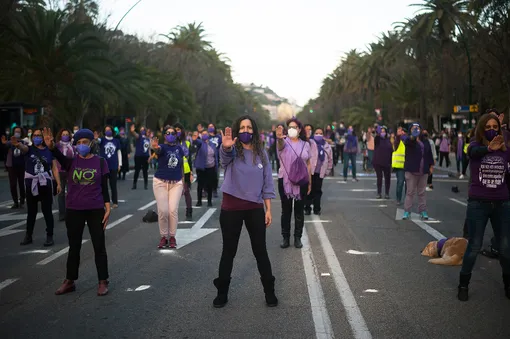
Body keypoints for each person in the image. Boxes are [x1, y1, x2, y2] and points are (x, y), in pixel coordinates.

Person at [213, 116, 277, 308]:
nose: (246, 131)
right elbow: (224, 159)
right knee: (228, 252)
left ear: (254, 131)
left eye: (249, 128)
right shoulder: (231, 150)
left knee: (260, 252)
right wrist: (225, 147)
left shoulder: (261, 154)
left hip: (254, 208)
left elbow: (267, 183)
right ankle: (222, 293)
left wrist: (268, 209)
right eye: (242, 127)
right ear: (237, 130)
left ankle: (270, 292)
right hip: (231, 208)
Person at [46, 128, 111, 296]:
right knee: (74, 246)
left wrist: (108, 207)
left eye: (85, 142)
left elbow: (104, 187)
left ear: (91, 143)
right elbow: (58, 156)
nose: (81, 145)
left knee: (99, 246)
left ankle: (103, 281)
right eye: (79, 143)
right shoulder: (71, 162)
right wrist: (52, 147)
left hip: (95, 209)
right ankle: (69, 281)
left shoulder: (100, 162)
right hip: (74, 209)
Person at [457, 114, 510, 301]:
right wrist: (488, 148)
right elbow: (474, 152)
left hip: (502, 203)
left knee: (505, 248)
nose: (491, 129)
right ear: (481, 128)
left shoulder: (505, 150)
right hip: (478, 203)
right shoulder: (474, 146)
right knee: (474, 246)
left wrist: (503, 140)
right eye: (487, 126)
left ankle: (508, 285)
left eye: (495, 126)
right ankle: (463, 285)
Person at [16, 128, 61, 246]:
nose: (37, 137)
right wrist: (18, 144)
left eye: (39, 135)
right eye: (35, 135)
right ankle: (28, 236)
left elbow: (54, 168)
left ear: (43, 137)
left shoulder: (49, 150)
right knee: (31, 212)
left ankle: (49, 236)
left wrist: (59, 183)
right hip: (31, 185)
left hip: (45, 184)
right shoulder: (29, 149)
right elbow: (23, 148)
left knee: (47, 212)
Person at [151, 126, 188, 249]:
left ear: (176, 135)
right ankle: (163, 237)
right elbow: (157, 150)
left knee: (173, 210)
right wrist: (154, 148)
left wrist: (183, 182)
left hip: (176, 183)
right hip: (160, 182)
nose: (171, 134)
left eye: (173, 133)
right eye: (168, 133)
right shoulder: (162, 147)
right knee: (163, 211)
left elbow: (181, 165)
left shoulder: (179, 149)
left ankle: (172, 237)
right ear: (164, 135)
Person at [277, 118, 311, 249]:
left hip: (301, 181)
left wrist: (310, 183)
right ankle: (285, 238)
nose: (292, 129)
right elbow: (279, 146)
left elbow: (308, 164)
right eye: (289, 127)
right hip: (285, 181)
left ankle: (298, 238)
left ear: (299, 129)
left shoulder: (306, 144)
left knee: (299, 211)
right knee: (285, 211)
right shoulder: (283, 142)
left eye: (294, 127)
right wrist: (279, 138)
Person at [402, 123, 434, 220]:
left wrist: (431, 166)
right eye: (413, 128)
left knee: (422, 192)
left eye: (418, 128)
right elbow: (407, 142)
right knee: (410, 192)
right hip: (411, 171)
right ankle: (407, 211)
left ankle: (423, 211)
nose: (416, 130)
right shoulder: (409, 140)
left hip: (423, 171)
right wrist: (413, 136)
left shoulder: (425, 141)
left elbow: (429, 154)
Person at [305, 127, 333, 215]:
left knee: (318, 191)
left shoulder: (327, 146)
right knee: (309, 190)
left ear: (323, 135)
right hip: (310, 172)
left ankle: (317, 209)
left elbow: (330, 160)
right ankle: (307, 208)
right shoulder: (310, 143)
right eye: (316, 133)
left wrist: (327, 171)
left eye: (320, 133)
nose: (318, 135)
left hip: (320, 172)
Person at [1, 126, 26, 209]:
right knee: (13, 185)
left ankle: (22, 198)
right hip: (12, 166)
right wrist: (4, 143)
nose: (17, 133)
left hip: (22, 166)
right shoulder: (10, 142)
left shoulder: (23, 142)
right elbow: (5, 146)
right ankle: (15, 202)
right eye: (16, 131)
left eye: (18, 132)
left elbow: (26, 150)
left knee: (21, 184)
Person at [193, 130, 219, 207]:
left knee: (209, 185)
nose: (204, 135)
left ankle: (209, 201)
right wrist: (195, 138)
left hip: (211, 167)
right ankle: (199, 201)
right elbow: (196, 142)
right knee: (200, 185)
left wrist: (216, 167)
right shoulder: (200, 143)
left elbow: (216, 156)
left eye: (206, 134)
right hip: (201, 168)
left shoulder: (212, 145)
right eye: (203, 134)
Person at [174, 123, 194, 221]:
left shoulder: (187, 143)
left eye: (179, 129)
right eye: (175, 130)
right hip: (173, 170)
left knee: (186, 191)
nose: (177, 131)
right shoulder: (172, 143)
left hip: (185, 170)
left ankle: (189, 211)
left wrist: (191, 172)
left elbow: (189, 159)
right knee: (174, 193)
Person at [99, 126, 121, 208]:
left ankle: (115, 202)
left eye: (109, 130)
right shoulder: (102, 140)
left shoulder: (116, 141)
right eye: (106, 130)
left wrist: (120, 164)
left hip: (113, 165)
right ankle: (105, 202)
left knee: (113, 185)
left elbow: (119, 152)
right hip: (103, 166)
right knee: (103, 185)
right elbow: (96, 141)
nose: (108, 131)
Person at [56, 128, 75, 221]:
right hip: (59, 171)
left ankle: (70, 212)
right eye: (63, 134)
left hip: (69, 171)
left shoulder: (72, 146)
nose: (65, 136)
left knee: (70, 193)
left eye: (67, 134)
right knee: (61, 193)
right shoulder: (57, 145)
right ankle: (62, 214)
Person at [373, 125, 392, 199]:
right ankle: (379, 193)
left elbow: (391, 150)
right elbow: (376, 137)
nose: (383, 133)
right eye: (381, 132)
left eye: (384, 131)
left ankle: (387, 193)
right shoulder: (377, 139)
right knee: (379, 178)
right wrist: (378, 131)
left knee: (387, 178)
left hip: (387, 162)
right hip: (378, 162)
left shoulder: (388, 140)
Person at [130, 124, 150, 190]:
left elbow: (149, 148)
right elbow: (135, 134)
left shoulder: (148, 139)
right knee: (137, 171)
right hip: (138, 156)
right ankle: (134, 184)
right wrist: (133, 131)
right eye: (141, 130)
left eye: (143, 130)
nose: (142, 131)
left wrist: (150, 157)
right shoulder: (139, 137)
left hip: (145, 156)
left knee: (145, 171)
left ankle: (146, 184)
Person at [392, 127, 407, 205]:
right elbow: (395, 146)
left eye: (402, 131)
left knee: (408, 184)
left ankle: (407, 200)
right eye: (399, 131)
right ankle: (398, 199)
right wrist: (398, 136)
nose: (401, 133)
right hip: (400, 166)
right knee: (400, 183)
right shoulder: (397, 141)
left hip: (408, 166)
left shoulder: (408, 140)